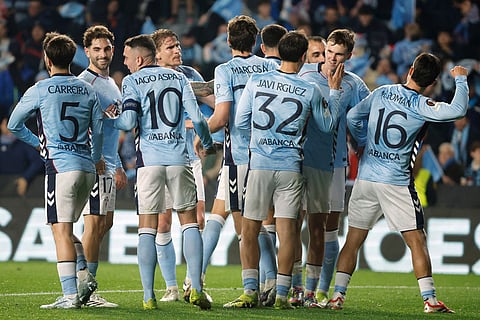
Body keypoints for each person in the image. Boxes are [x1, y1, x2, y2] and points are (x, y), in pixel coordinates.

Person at [328, 52, 468, 313]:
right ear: (433, 82)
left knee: (353, 239)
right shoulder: (423, 105)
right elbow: (458, 109)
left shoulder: (383, 92)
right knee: (416, 240)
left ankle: (337, 296)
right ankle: (430, 300)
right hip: (396, 181)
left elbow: (352, 118)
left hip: (366, 178)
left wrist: (362, 144)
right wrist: (460, 79)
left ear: (411, 69)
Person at [224, 30, 344, 309]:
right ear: (303, 57)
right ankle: (281, 295)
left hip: (260, 165)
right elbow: (326, 126)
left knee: (250, 229)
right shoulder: (310, 89)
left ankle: (250, 291)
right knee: (288, 232)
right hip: (291, 166)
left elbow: (241, 121)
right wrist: (335, 92)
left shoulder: (257, 81)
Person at [114, 34, 214, 310]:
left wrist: (112, 115)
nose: (125, 63)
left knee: (148, 228)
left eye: (126, 58)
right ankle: (194, 287)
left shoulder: (132, 81)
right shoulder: (180, 78)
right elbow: (198, 117)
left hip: (149, 162)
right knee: (190, 223)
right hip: (180, 159)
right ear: (154, 55)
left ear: (138, 59)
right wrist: (207, 143)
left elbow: (128, 122)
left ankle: (148, 296)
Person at [7, 32, 105, 309]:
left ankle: (70, 295)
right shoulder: (88, 89)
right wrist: (96, 158)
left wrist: (40, 145)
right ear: (72, 59)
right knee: (60, 225)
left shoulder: (40, 89)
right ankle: (84, 273)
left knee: (60, 229)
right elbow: (97, 130)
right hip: (87, 168)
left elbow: (14, 125)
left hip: (60, 167)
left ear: (47, 60)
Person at [193, 15, 279, 305]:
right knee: (262, 221)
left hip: (239, 156)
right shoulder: (269, 65)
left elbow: (221, 117)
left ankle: (252, 288)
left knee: (245, 226)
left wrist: (200, 130)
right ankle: (272, 282)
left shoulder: (226, 70)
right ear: (255, 42)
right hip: (269, 155)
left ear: (228, 41)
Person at [295, 28, 371, 308]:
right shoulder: (305, 74)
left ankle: (322, 291)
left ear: (349, 56)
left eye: (339, 55)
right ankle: (294, 287)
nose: (332, 59)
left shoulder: (354, 85)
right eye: (329, 52)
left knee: (328, 230)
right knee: (293, 224)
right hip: (300, 162)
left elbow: (367, 116)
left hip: (336, 164)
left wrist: (360, 141)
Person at [150, 28, 215, 303]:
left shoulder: (190, 75)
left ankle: (193, 282)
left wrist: (200, 130)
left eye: (177, 45)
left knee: (198, 219)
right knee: (163, 223)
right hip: (159, 158)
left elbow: (214, 106)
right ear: (156, 54)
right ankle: (171, 288)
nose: (177, 51)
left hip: (189, 157)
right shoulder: (148, 79)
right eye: (169, 47)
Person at [77, 25, 127, 308]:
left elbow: (110, 131)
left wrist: (117, 164)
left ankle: (82, 279)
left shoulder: (111, 84)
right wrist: (98, 162)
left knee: (105, 223)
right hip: (95, 165)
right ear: (87, 52)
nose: (103, 54)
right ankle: (85, 289)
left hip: (109, 165)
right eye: (97, 49)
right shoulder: (86, 84)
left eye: (107, 48)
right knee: (94, 224)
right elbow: (84, 129)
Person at [0, 115, 43, 196]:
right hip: (2, 186)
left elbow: (38, 161)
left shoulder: (23, 143)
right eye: (4, 123)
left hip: (18, 187)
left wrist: (26, 178)